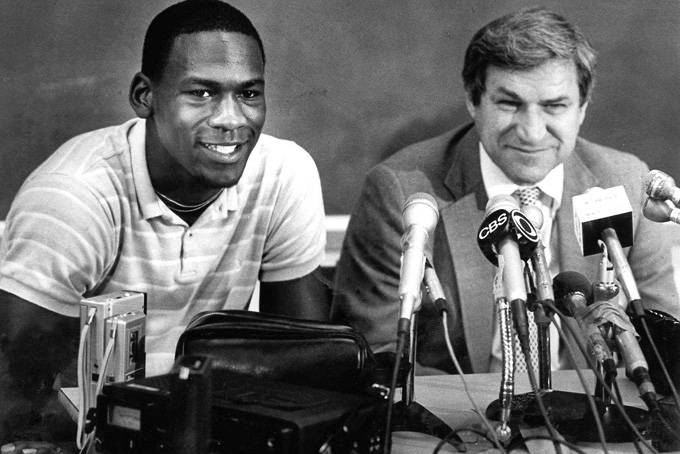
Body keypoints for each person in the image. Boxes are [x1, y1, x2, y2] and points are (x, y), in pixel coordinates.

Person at [0, 0, 328, 450]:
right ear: (144, 96)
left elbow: (303, 365)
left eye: (249, 93)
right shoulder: (74, 196)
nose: (232, 119)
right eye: (201, 93)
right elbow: (18, 402)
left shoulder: (283, 173)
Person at [331, 7, 680, 376]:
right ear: (473, 100)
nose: (531, 132)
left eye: (554, 106)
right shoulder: (397, 191)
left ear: (582, 108)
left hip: (591, 420)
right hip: (461, 424)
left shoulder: (625, 181)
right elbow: (377, 354)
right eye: (510, 103)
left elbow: (665, 339)